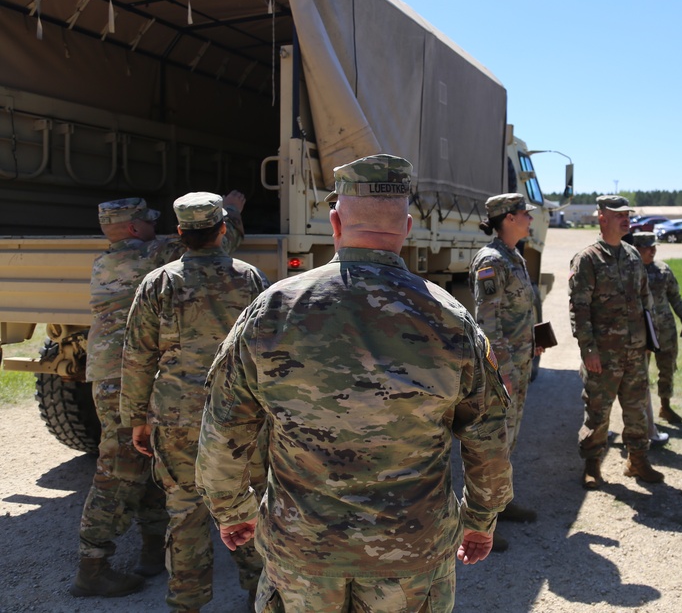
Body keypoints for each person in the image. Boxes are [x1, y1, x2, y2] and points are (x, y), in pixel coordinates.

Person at [195, 154, 513, 613]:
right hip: (411, 553)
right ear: (406, 226)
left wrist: (232, 511)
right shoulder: (450, 318)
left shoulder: (273, 310)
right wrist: (481, 518)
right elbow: (489, 436)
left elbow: (223, 430)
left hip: (303, 551)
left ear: (335, 223)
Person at [71, 190, 245, 598]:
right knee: (118, 471)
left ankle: (153, 550)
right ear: (134, 228)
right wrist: (232, 209)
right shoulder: (152, 256)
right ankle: (92, 566)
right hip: (129, 375)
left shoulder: (108, 259)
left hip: (113, 374)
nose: (155, 225)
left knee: (151, 458)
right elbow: (215, 243)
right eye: (149, 220)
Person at [120, 192, 268, 613]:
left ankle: (186, 603)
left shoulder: (158, 283)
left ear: (180, 234)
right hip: (240, 416)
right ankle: (261, 596)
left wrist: (136, 419)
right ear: (223, 229)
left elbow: (137, 357)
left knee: (184, 513)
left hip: (177, 416)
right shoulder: (252, 279)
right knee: (250, 503)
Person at [568, 194, 664, 489]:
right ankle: (592, 465)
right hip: (603, 354)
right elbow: (579, 309)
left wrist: (649, 340)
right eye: (618, 214)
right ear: (602, 218)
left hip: (635, 351)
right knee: (598, 412)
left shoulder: (633, 255)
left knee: (636, 409)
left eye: (627, 214)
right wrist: (588, 350)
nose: (626, 218)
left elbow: (644, 302)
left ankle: (637, 461)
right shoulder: (588, 259)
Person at [470, 193, 545, 545]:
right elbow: (487, 323)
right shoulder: (491, 260)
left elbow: (521, 310)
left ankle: (501, 505)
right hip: (505, 369)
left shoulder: (514, 256)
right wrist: (501, 374)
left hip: (520, 360)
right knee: (493, 446)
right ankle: (480, 523)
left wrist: (536, 340)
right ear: (509, 218)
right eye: (525, 214)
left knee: (509, 441)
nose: (530, 219)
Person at [631, 232, 682, 438]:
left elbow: (675, 297)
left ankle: (665, 406)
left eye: (654, 247)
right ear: (636, 249)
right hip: (642, 332)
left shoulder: (663, 270)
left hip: (665, 329)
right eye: (647, 247)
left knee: (667, 368)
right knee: (639, 373)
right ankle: (641, 413)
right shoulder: (630, 271)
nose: (652, 250)